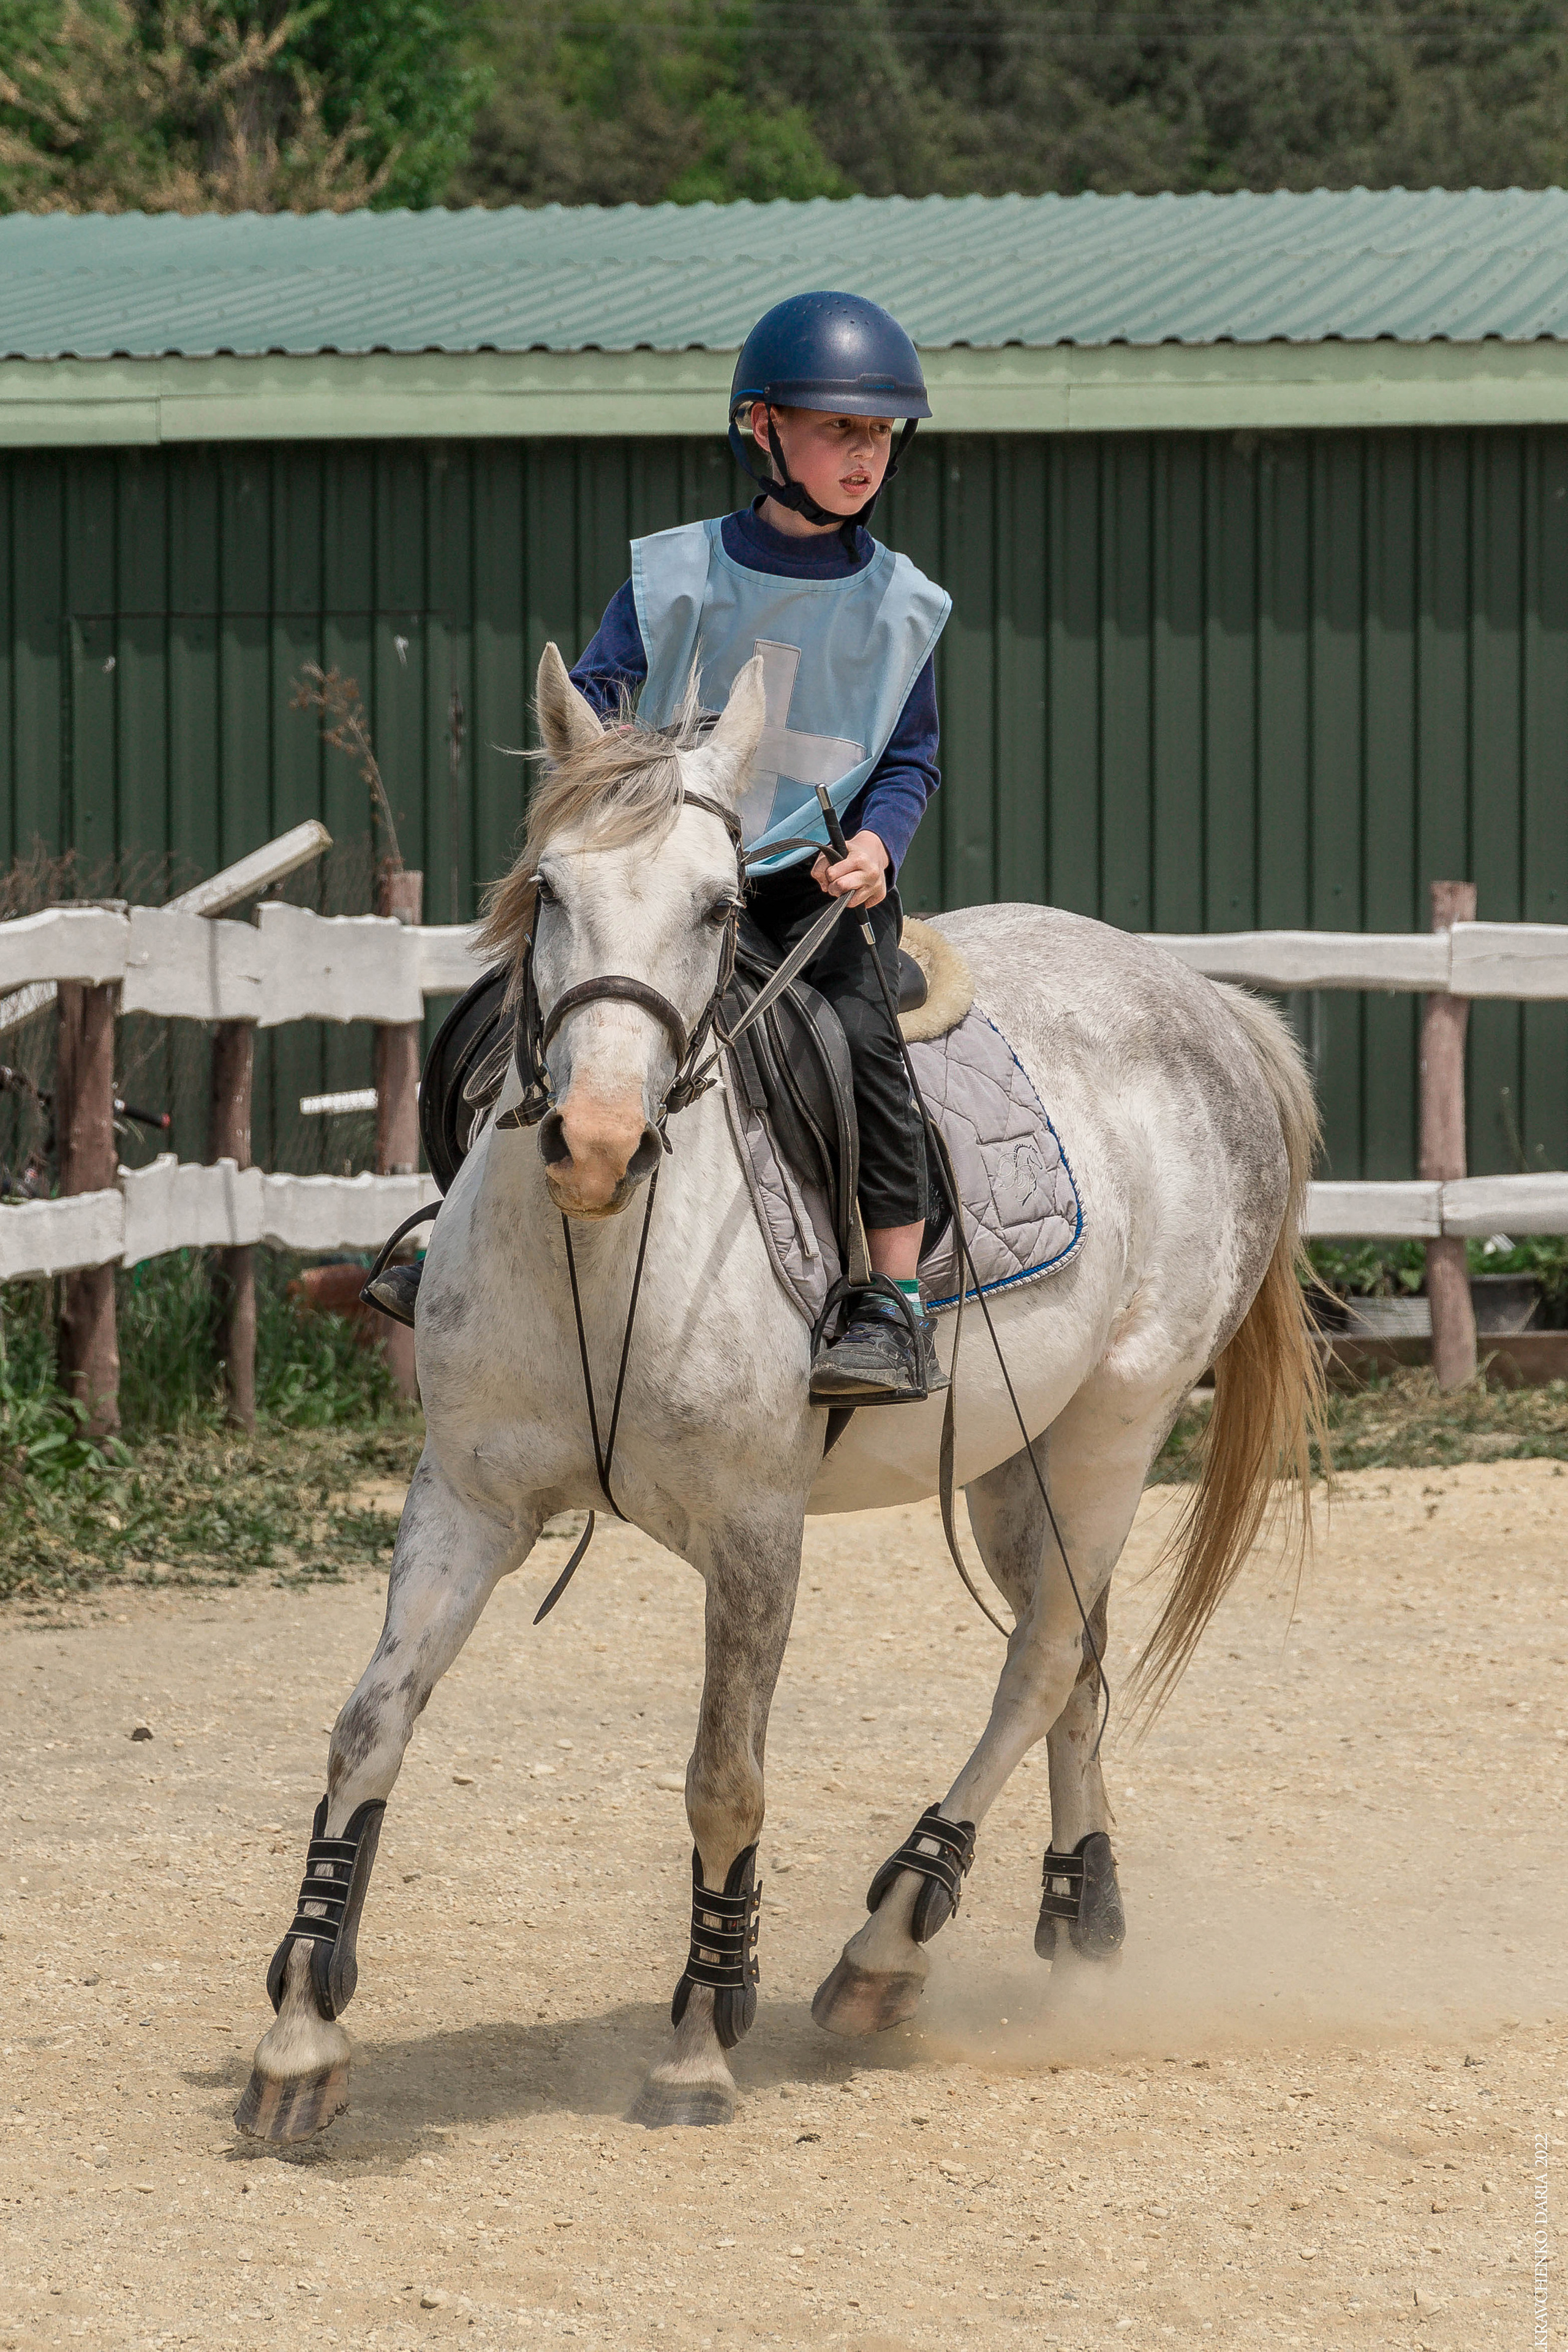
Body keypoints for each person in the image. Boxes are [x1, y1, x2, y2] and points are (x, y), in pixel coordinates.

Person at [567, 290, 952, 1404]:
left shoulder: (904, 607)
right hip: (669, 874)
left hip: (812, 891)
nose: (864, 454)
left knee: (870, 1045)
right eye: (840, 428)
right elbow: (598, 699)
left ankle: (889, 1301)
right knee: (536, 993)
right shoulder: (673, 574)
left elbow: (910, 761)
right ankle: (457, 1224)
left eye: (880, 434)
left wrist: (879, 847)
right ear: (762, 428)